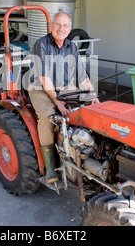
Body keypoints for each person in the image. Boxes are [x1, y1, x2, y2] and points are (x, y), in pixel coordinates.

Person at [28, 12, 99, 184]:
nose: (61, 29)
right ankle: (51, 166)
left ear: (70, 29)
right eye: (58, 25)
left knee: (88, 107)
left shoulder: (72, 48)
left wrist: (93, 96)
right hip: (40, 87)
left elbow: (82, 76)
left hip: (63, 87)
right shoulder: (41, 44)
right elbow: (44, 78)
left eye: (65, 26)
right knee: (47, 117)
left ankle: (86, 149)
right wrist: (57, 101)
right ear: (51, 26)